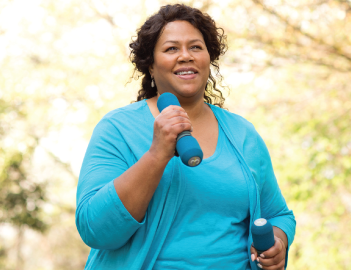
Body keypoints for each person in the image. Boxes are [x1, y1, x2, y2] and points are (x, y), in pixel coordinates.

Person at [75, 4, 296, 270]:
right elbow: (95, 229)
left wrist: (278, 242)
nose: (185, 56)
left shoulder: (243, 134)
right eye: (171, 49)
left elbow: (278, 215)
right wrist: (157, 154)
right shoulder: (117, 129)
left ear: (208, 58)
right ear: (151, 67)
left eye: (195, 47)